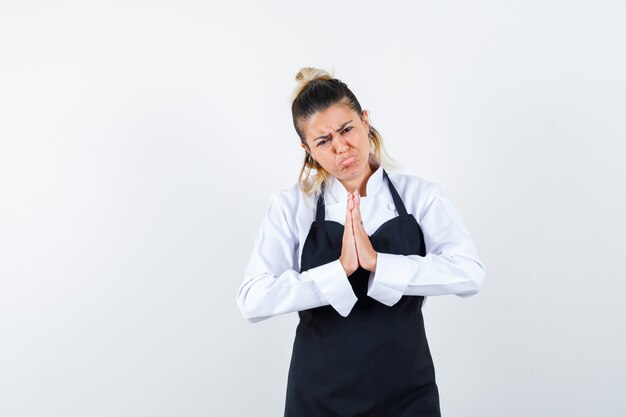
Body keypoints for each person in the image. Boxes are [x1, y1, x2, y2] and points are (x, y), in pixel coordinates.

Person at [236, 67, 486, 417]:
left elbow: (470, 274)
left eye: (347, 129)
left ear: (365, 120)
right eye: (323, 141)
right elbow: (252, 300)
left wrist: (378, 264)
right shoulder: (292, 206)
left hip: (407, 393)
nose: (342, 147)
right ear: (307, 149)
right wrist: (339, 271)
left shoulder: (421, 197)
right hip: (319, 396)